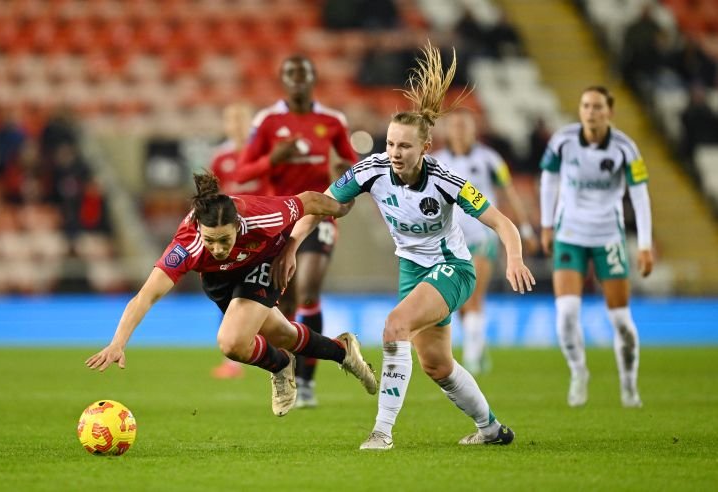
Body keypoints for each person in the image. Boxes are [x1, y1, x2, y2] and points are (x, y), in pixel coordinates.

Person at [273, 43, 535, 450]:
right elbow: (319, 205)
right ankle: (491, 429)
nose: (395, 152)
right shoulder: (371, 170)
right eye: (391, 143)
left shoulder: (445, 180)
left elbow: (501, 221)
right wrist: (291, 245)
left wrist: (514, 256)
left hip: (452, 268)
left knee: (395, 326)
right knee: (437, 365)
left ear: (424, 148)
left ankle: (382, 432)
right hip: (412, 270)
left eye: (405, 146)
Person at [85, 172, 378, 417]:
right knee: (283, 335)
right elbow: (144, 297)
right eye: (210, 240)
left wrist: (338, 209)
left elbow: (309, 200)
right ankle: (342, 351)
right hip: (220, 280)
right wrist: (117, 343)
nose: (218, 248)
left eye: (225, 239)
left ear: (238, 225)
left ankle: (279, 365)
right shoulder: (186, 247)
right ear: (199, 229)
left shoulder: (264, 215)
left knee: (232, 342)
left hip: (264, 263)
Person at [233, 54, 359, 408]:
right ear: (283, 80)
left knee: (307, 291)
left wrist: (343, 174)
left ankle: (307, 382)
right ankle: (287, 368)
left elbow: (353, 168)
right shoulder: (268, 121)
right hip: (278, 219)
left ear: (313, 78)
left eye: (304, 74)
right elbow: (243, 172)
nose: (298, 80)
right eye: (291, 74)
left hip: (318, 217)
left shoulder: (332, 121)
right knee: (283, 303)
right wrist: (273, 159)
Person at [539, 86, 653, 408]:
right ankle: (578, 372)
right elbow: (548, 179)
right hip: (570, 235)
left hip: (608, 238)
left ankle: (629, 385)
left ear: (609, 112)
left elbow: (640, 195)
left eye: (597, 106)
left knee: (620, 320)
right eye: (586, 105)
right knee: (566, 314)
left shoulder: (625, 148)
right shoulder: (562, 141)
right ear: (580, 110)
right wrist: (547, 224)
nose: (591, 111)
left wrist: (644, 244)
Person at [432, 109, 538, 374]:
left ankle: (470, 359)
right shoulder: (436, 161)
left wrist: (524, 230)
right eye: (454, 126)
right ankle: (477, 345)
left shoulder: (489, 158)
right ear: (447, 131)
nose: (459, 131)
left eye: (464, 126)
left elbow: (509, 194)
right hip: (450, 240)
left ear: (473, 129)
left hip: (482, 235)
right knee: (463, 302)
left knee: (474, 294)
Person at [209, 102, 269, 379]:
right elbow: (213, 198)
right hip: (234, 238)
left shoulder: (263, 153)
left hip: (263, 233)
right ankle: (232, 360)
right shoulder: (220, 159)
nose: (237, 125)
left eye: (241, 118)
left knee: (269, 293)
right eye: (231, 119)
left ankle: (280, 348)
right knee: (231, 295)